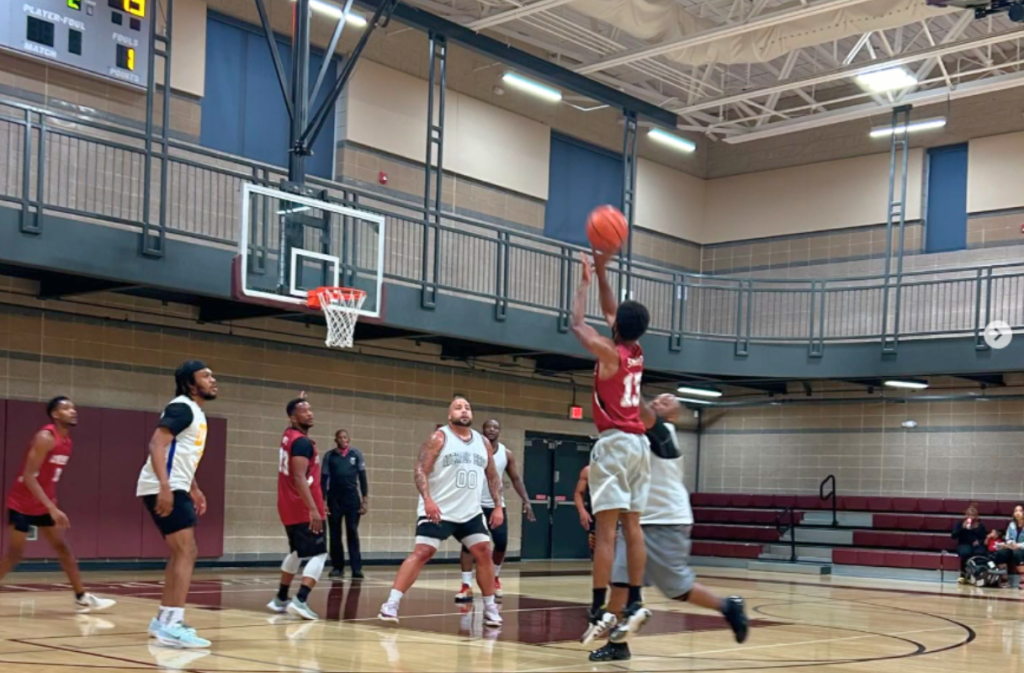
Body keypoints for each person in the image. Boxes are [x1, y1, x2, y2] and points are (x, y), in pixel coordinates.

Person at [590, 394, 748, 661]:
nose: (659, 400)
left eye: (667, 401)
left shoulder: (664, 433)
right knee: (619, 584)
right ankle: (618, 644)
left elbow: (637, 409)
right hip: (638, 524)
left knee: (676, 588)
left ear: (673, 416)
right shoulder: (635, 437)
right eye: (659, 397)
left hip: (666, 521)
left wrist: (621, 380)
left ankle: (728, 606)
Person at [570, 249, 653, 645]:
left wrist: (583, 284)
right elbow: (611, 313)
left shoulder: (609, 352)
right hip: (639, 445)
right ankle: (635, 599)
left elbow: (577, 325)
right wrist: (604, 271)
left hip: (615, 443)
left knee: (606, 532)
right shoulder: (635, 351)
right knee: (632, 524)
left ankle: (598, 605)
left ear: (619, 325)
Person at [378, 396, 504, 627]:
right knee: (422, 552)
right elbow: (420, 470)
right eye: (458, 407)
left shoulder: (482, 442)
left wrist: (498, 505)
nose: (463, 410)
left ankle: (490, 607)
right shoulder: (439, 438)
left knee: (484, 551)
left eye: (467, 407)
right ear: (449, 415)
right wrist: (427, 500)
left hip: (470, 512)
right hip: (440, 509)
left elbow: (493, 476)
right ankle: (391, 604)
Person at [0, 397, 116, 613]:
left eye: (73, 407)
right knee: (14, 554)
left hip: (43, 505)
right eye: (66, 408)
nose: (72, 411)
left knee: (63, 549)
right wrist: (51, 507)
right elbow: (28, 476)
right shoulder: (45, 437)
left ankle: (81, 597)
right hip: (22, 504)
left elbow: (49, 478)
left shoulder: (68, 443)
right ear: (55, 415)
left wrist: (51, 504)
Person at [138, 360, 217, 648]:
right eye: (205, 376)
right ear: (190, 383)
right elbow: (156, 444)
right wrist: (164, 486)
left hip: (177, 485)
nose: (212, 379)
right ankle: (172, 623)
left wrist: (194, 488)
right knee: (187, 550)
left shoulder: (194, 412)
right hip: (165, 486)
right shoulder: (181, 407)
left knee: (182, 552)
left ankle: (164, 620)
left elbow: (181, 454)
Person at [455, 419, 535, 602]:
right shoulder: (474, 450)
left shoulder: (506, 454)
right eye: (488, 427)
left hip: (496, 505)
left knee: (501, 542)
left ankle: (495, 578)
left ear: (499, 431)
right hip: (473, 504)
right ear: (483, 431)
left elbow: (516, 479)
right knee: (468, 545)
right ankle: (466, 585)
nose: (491, 430)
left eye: (495, 427)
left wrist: (527, 501)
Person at [266, 396, 328, 620]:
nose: (310, 413)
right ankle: (300, 599)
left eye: (311, 410)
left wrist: (298, 401)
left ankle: (281, 598)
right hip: (303, 507)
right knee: (320, 554)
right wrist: (314, 509)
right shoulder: (301, 443)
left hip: (288, 505)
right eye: (304, 411)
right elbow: (300, 477)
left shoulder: (288, 435)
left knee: (296, 552)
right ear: (293, 417)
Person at [321, 429, 368, 579]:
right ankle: (337, 567)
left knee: (352, 532)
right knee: (335, 534)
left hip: (352, 499)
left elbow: (362, 477)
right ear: (336, 440)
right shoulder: (329, 456)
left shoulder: (356, 454)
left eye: (345, 437)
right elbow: (323, 480)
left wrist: (364, 500)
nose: (343, 439)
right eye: (340, 437)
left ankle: (356, 568)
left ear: (349, 439)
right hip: (334, 499)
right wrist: (323, 501)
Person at [951, 505, 987, 582]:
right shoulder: (960, 524)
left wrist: (979, 541)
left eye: (973, 515)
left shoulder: (980, 526)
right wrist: (962, 528)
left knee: (981, 552)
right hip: (964, 544)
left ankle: (977, 574)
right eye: (968, 515)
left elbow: (983, 538)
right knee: (966, 552)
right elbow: (953, 536)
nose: (970, 517)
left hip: (975, 545)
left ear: (976, 516)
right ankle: (963, 574)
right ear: (965, 515)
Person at [994, 505, 1024, 587]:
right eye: (1016, 511)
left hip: (1022, 548)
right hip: (1012, 547)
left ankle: (1022, 579)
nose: (1018, 513)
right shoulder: (1011, 524)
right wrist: (1011, 543)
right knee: (1001, 553)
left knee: (1018, 554)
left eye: (1020, 511)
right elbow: (1008, 538)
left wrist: (1018, 545)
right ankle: (1005, 578)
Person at [573, 465, 595, 555]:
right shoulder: (589, 470)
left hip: (619, 514)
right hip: (596, 514)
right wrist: (582, 511)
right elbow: (578, 493)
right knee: (597, 548)